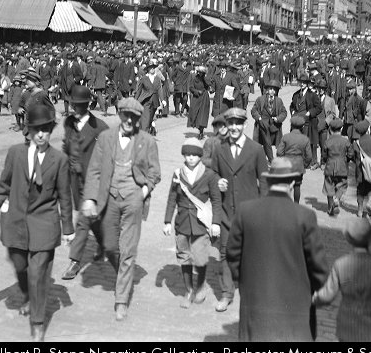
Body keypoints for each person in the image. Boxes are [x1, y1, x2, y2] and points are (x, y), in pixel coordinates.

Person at [0, 104, 75, 342]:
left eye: (45, 130)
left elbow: (65, 196)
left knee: (39, 274)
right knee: (20, 265)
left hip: (45, 223)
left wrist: (68, 229)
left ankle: (38, 323)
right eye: (36, 130)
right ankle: (27, 294)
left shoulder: (59, 160)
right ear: (28, 130)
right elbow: (3, 185)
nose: (41, 135)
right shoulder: (15, 153)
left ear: (51, 130)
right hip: (17, 222)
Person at [226, 157, 328, 341]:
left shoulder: (246, 211)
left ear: (269, 181)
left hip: (255, 305)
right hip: (295, 310)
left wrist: (245, 283)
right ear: (291, 183)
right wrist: (315, 289)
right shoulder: (304, 216)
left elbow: (233, 254)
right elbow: (318, 266)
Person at [81, 97, 161, 321]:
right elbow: (94, 170)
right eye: (125, 115)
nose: (129, 120)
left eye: (134, 117)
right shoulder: (105, 138)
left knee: (128, 249)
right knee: (109, 246)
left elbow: (155, 173)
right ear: (119, 115)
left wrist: (143, 191)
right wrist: (90, 198)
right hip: (109, 199)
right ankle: (123, 274)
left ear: (139, 119)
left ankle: (121, 299)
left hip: (133, 200)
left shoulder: (147, 141)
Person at [211, 107, 269, 312]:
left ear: (245, 125)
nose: (234, 127)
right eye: (231, 123)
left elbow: (264, 181)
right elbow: (213, 173)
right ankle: (226, 293)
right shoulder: (219, 148)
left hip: (249, 213)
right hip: (226, 212)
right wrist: (217, 182)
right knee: (225, 253)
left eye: (238, 123)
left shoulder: (256, 150)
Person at [312, 217, 371, 342]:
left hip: (347, 328)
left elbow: (328, 295)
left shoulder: (340, 264)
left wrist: (314, 299)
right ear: (370, 239)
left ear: (348, 239)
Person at [164, 138, 222, 308]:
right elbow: (172, 198)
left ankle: (201, 285)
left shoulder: (209, 175)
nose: (190, 158)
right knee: (184, 257)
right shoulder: (177, 174)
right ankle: (189, 290)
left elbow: (216, 200)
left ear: (200, 156)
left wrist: (216, 222)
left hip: (200, 224)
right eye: (187, 154)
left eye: (194, 155)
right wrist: (167, 221)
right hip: (182, 222)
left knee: (200, 256)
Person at [61, 85, 109, 281]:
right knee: (92, 218)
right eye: (73, 104)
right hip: (74, 179)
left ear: (88, 105)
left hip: (93, 182)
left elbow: (107, 158)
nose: (75, 108)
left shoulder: (100, 127)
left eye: (79, 105)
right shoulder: (68, 123)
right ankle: (104, 243)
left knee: (82, 220)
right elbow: (66, 148)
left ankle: (75, 260)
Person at [321, 118, 354, 217]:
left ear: (330, 129)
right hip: (342, 167)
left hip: (330, 166)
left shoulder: (327, 142)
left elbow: (324, 156)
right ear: (341, 128)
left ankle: (330, 208)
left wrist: (325, 162)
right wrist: (346, 160)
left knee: (329, 186)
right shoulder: (345, 141)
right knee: (342, 185)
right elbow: (350, 154)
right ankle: (337, 198)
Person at [290, 73, 323, 169]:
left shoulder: (312, 95)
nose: (302, 84)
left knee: (308, 142)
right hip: (297, 122)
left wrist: (310, 112)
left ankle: (310, 162)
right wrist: (292, 111)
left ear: (307, 83)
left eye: (304, 82)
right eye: (301, 82)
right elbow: (292, 105)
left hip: (308, 122)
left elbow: (319, 108)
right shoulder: (296, 95)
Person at [277, 116, 312, 203]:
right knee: (297, 186)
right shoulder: (305, 139)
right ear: (302, 127)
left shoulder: (285, 137)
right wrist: (304, 165)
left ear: (291, 126)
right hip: (299, 165)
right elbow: (309, 156)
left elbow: (279, 152)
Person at [251, 79, 287, 163]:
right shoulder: (260, 99)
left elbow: (284, 112)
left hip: (274, 125)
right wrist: (259, 118)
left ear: (276, 91)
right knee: (266, 141)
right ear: (267, 89)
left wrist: (278, 118)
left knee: (268, 143)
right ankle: (271, 160)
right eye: (270, 89)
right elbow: (254, 110)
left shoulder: (279, 101)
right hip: (262, 124)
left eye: (274, 89)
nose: (272, 91)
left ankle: (262, 160)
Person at [188, 65, 211, 140]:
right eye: (199, 72)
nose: (200, 74)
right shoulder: (195, 78)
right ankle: (198, 128)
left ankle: (201, 131)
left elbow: (209, 86)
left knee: (202, 115)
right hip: (196, 97)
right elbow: (191, 87)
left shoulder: (206, 79)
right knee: (194, 113)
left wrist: (205, 79)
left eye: (202, 72)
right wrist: (196, 91)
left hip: (204, 98)